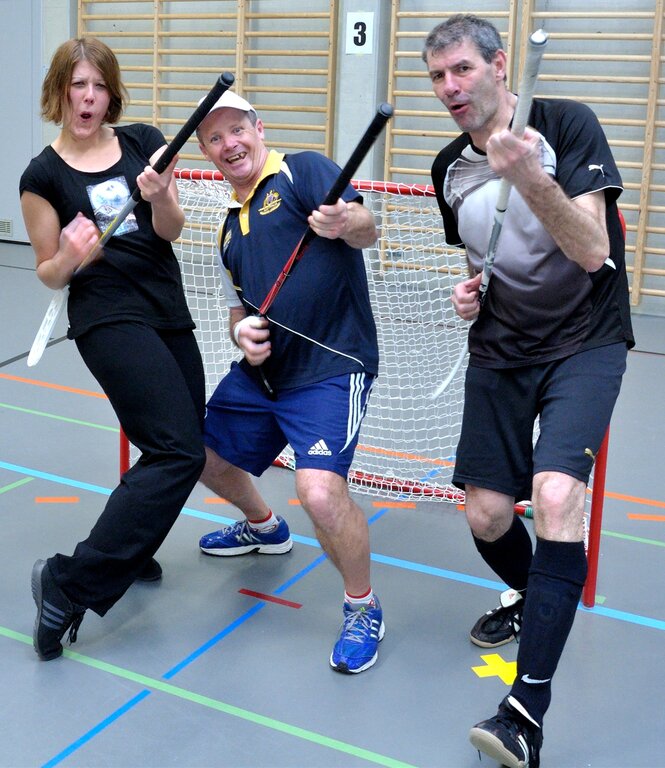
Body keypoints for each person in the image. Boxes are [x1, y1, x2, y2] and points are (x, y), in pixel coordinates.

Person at [423, 14, 634, 767]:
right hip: (501, 349)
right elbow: (488, 256)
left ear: (497, 65)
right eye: (438, 77)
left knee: (552, 499)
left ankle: (525, 709)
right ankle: (542, 597)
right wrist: (469, 290)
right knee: (483, 516)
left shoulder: (565, 126)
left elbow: (589, 249)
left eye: (460, 71)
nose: (449, 88)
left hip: (585, 341)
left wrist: (526, 174)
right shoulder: (447, 167)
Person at [21, 37, 206, 660]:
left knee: (179, 442)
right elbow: (46, 269)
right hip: (106, 314)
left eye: (98, 86)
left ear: (111, 93)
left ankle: (132, 545)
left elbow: (170, 231)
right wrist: (70, 257)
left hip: (165, 305)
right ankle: (68, 584)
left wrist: (161, 199)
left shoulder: (142, 141)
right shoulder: (42, 175)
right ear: (60, 91)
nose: (89, 97)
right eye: (77, 85)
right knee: (178, 449)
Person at [194, 90, 384, 674]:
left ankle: (363, 606)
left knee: (321, 491)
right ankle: (265, 528)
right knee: (197, 454)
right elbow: (236, 308)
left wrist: (345, 218)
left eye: (237, 130)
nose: (230, 144)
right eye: (215, 138)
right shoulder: (228, 229)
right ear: (206, 150)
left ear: (258, 128)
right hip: (263, 377)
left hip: (329, 370)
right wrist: (239, 335)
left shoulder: (303, 171)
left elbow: (365, 228)